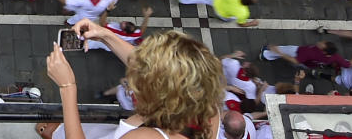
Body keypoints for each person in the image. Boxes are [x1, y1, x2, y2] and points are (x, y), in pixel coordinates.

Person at [41, 22, 222, 139]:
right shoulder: (205, 105)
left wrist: (67, 87)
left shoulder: (144, 138)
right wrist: (106, 35)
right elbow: (147, 65)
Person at [259, 41, 351, 71]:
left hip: (297, 53)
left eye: (322, 44)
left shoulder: (309, 53)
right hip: (308, 64)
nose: (320, 42)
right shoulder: (335, 56)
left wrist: (280, 53)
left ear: (324, 51)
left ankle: (265, 54)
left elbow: (296, 60)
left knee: (282, 50)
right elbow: (347, 64)